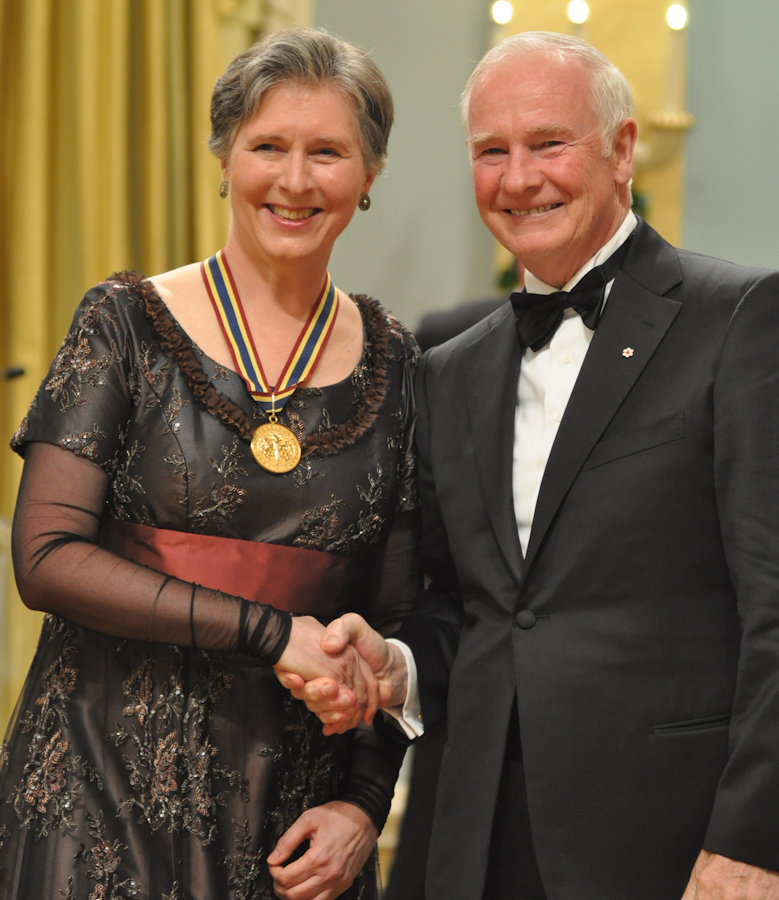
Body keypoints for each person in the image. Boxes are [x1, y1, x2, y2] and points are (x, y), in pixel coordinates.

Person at [281, 31, 779, 900]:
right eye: (490, 153)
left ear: (621, 150)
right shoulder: (446, 363)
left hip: (672, 843)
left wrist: (754, 840)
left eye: (548, 143)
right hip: (469, 837)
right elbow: (465, 609)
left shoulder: (737, 319)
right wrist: (394, 665)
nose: (518, 179)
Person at [0, 27, 420, 900]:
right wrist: (273, 634)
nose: (295, 180)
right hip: (96, 786)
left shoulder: (403, 369)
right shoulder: (122, 324)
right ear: (225, 156)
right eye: (268, 146)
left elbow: (398, 616)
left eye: (327, 152)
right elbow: (44, 561)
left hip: (292, 824)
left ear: (369, 174)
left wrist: (363, 806)